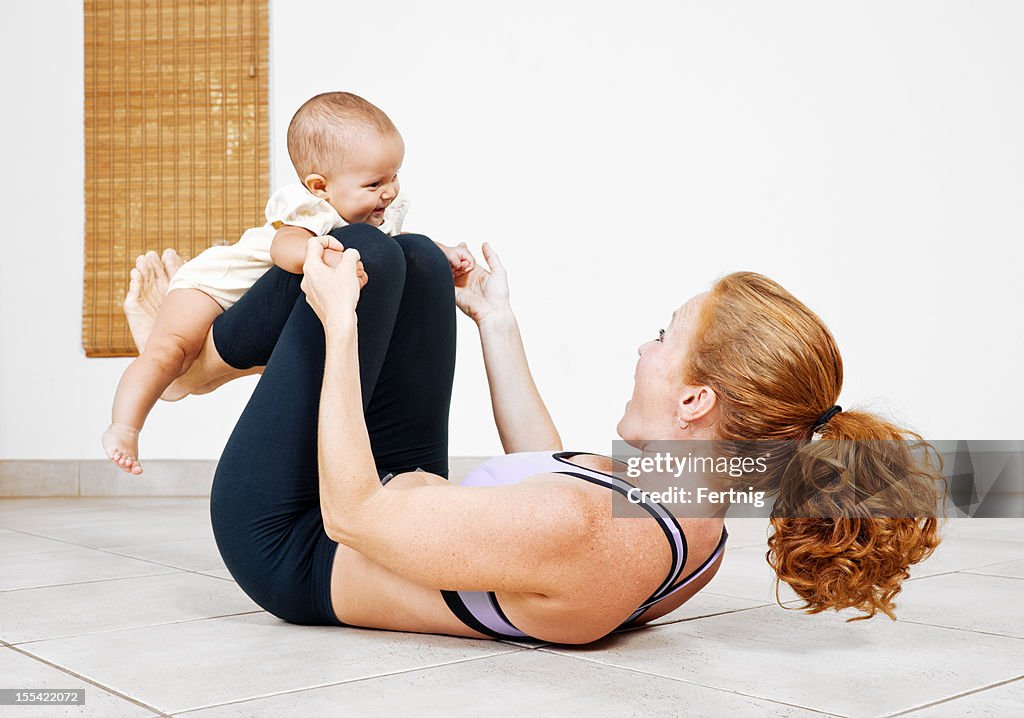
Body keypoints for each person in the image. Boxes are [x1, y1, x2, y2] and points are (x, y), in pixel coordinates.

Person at [200, 229, 943, 645]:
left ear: (693, 399)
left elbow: (353, 517)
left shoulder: (581, 532)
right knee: (420, 263)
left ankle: (186, 360)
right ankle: (203, 350)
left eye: (663, 337)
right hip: (403, 508)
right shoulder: (699, 519)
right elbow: (551, 474)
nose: (644, 349)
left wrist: (339, 324)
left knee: (356, 251)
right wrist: (496, 321)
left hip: (301, 544)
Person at [101, 91, 474, 475]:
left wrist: (439, 251)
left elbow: (395, 248)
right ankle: (125, 425)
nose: (390, 190)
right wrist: (324, 255)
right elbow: (285, 247)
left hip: (263, 311)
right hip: (214, 285)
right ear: (319, 186)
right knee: (168, 353)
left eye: (395, 175)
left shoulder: (374, 209)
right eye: (375, 182)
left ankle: (191, 376)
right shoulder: (310, 208)